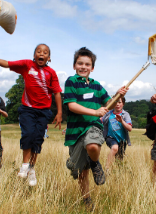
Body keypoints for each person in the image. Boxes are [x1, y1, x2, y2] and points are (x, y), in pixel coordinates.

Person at [0, 43, 63, 186]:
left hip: (44, 111)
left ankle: (32, 169)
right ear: (34, 55)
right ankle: (25, 165)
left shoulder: (52, 73)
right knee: (28, 134)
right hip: (28, 109)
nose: (41, 54)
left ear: (49, 57)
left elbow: (56, 92)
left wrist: (59, 112)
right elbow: (7, 64)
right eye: (38, 51)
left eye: (45, 52)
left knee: (38, 140)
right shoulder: (27, 65)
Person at [61, 47, 127, 207]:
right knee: (79, 171)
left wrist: (118, 95)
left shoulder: (97, 86)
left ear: (92, 68)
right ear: (74, 65)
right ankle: (87, 200)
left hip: (93, 126)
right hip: (75, 131)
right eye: (80, 63)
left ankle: (95, 164)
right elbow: (71, 106)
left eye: (87, 64)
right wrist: (95, 111)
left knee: (92, 145)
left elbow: (108, 104)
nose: (83, 67)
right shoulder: (71, 81)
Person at [100, 97, 132, 165]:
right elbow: (100, 119)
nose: (117, 104)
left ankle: (117, 173)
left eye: (119, 102)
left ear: (123, 104)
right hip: (110, 137)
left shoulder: (125, 115)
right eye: (116, 102)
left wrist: (121, 121)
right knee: (114, 148)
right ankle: (107, 169)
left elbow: (130, 128)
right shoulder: (108, 113)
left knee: (119, 161)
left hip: (122, 140)